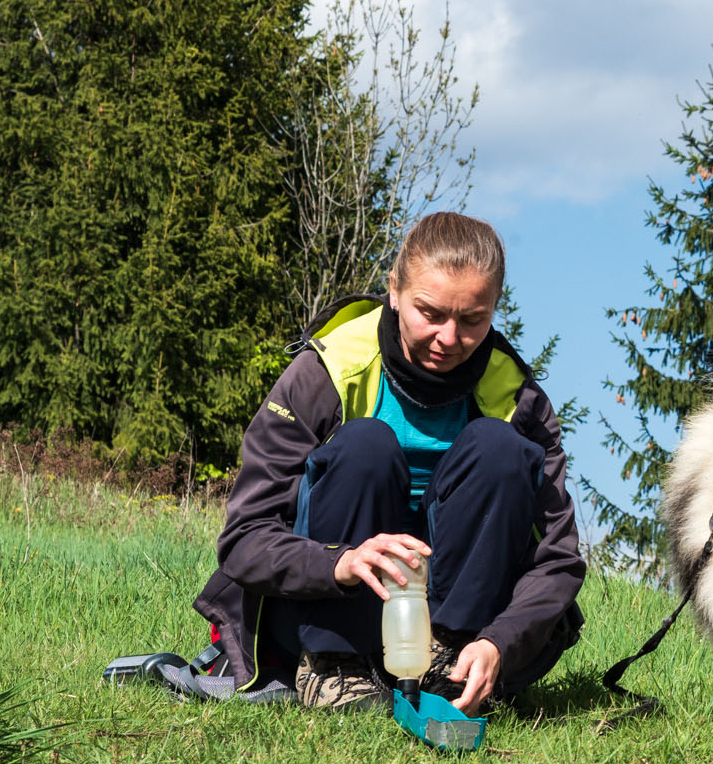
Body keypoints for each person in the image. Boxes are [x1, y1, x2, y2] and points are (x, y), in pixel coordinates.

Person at [194, 213, 585, 715]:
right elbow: (244, 538)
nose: (449, 338)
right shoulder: (325, 370)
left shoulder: (519, 398)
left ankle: (450, 663)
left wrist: (499, 643)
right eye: (431, 312)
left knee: (499, 448)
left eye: (472, 320)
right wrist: (340, 562)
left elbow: (558, 558)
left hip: (459, 617)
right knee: (365, 446)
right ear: (394, 291)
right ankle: (335, 668)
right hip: (323, 602)